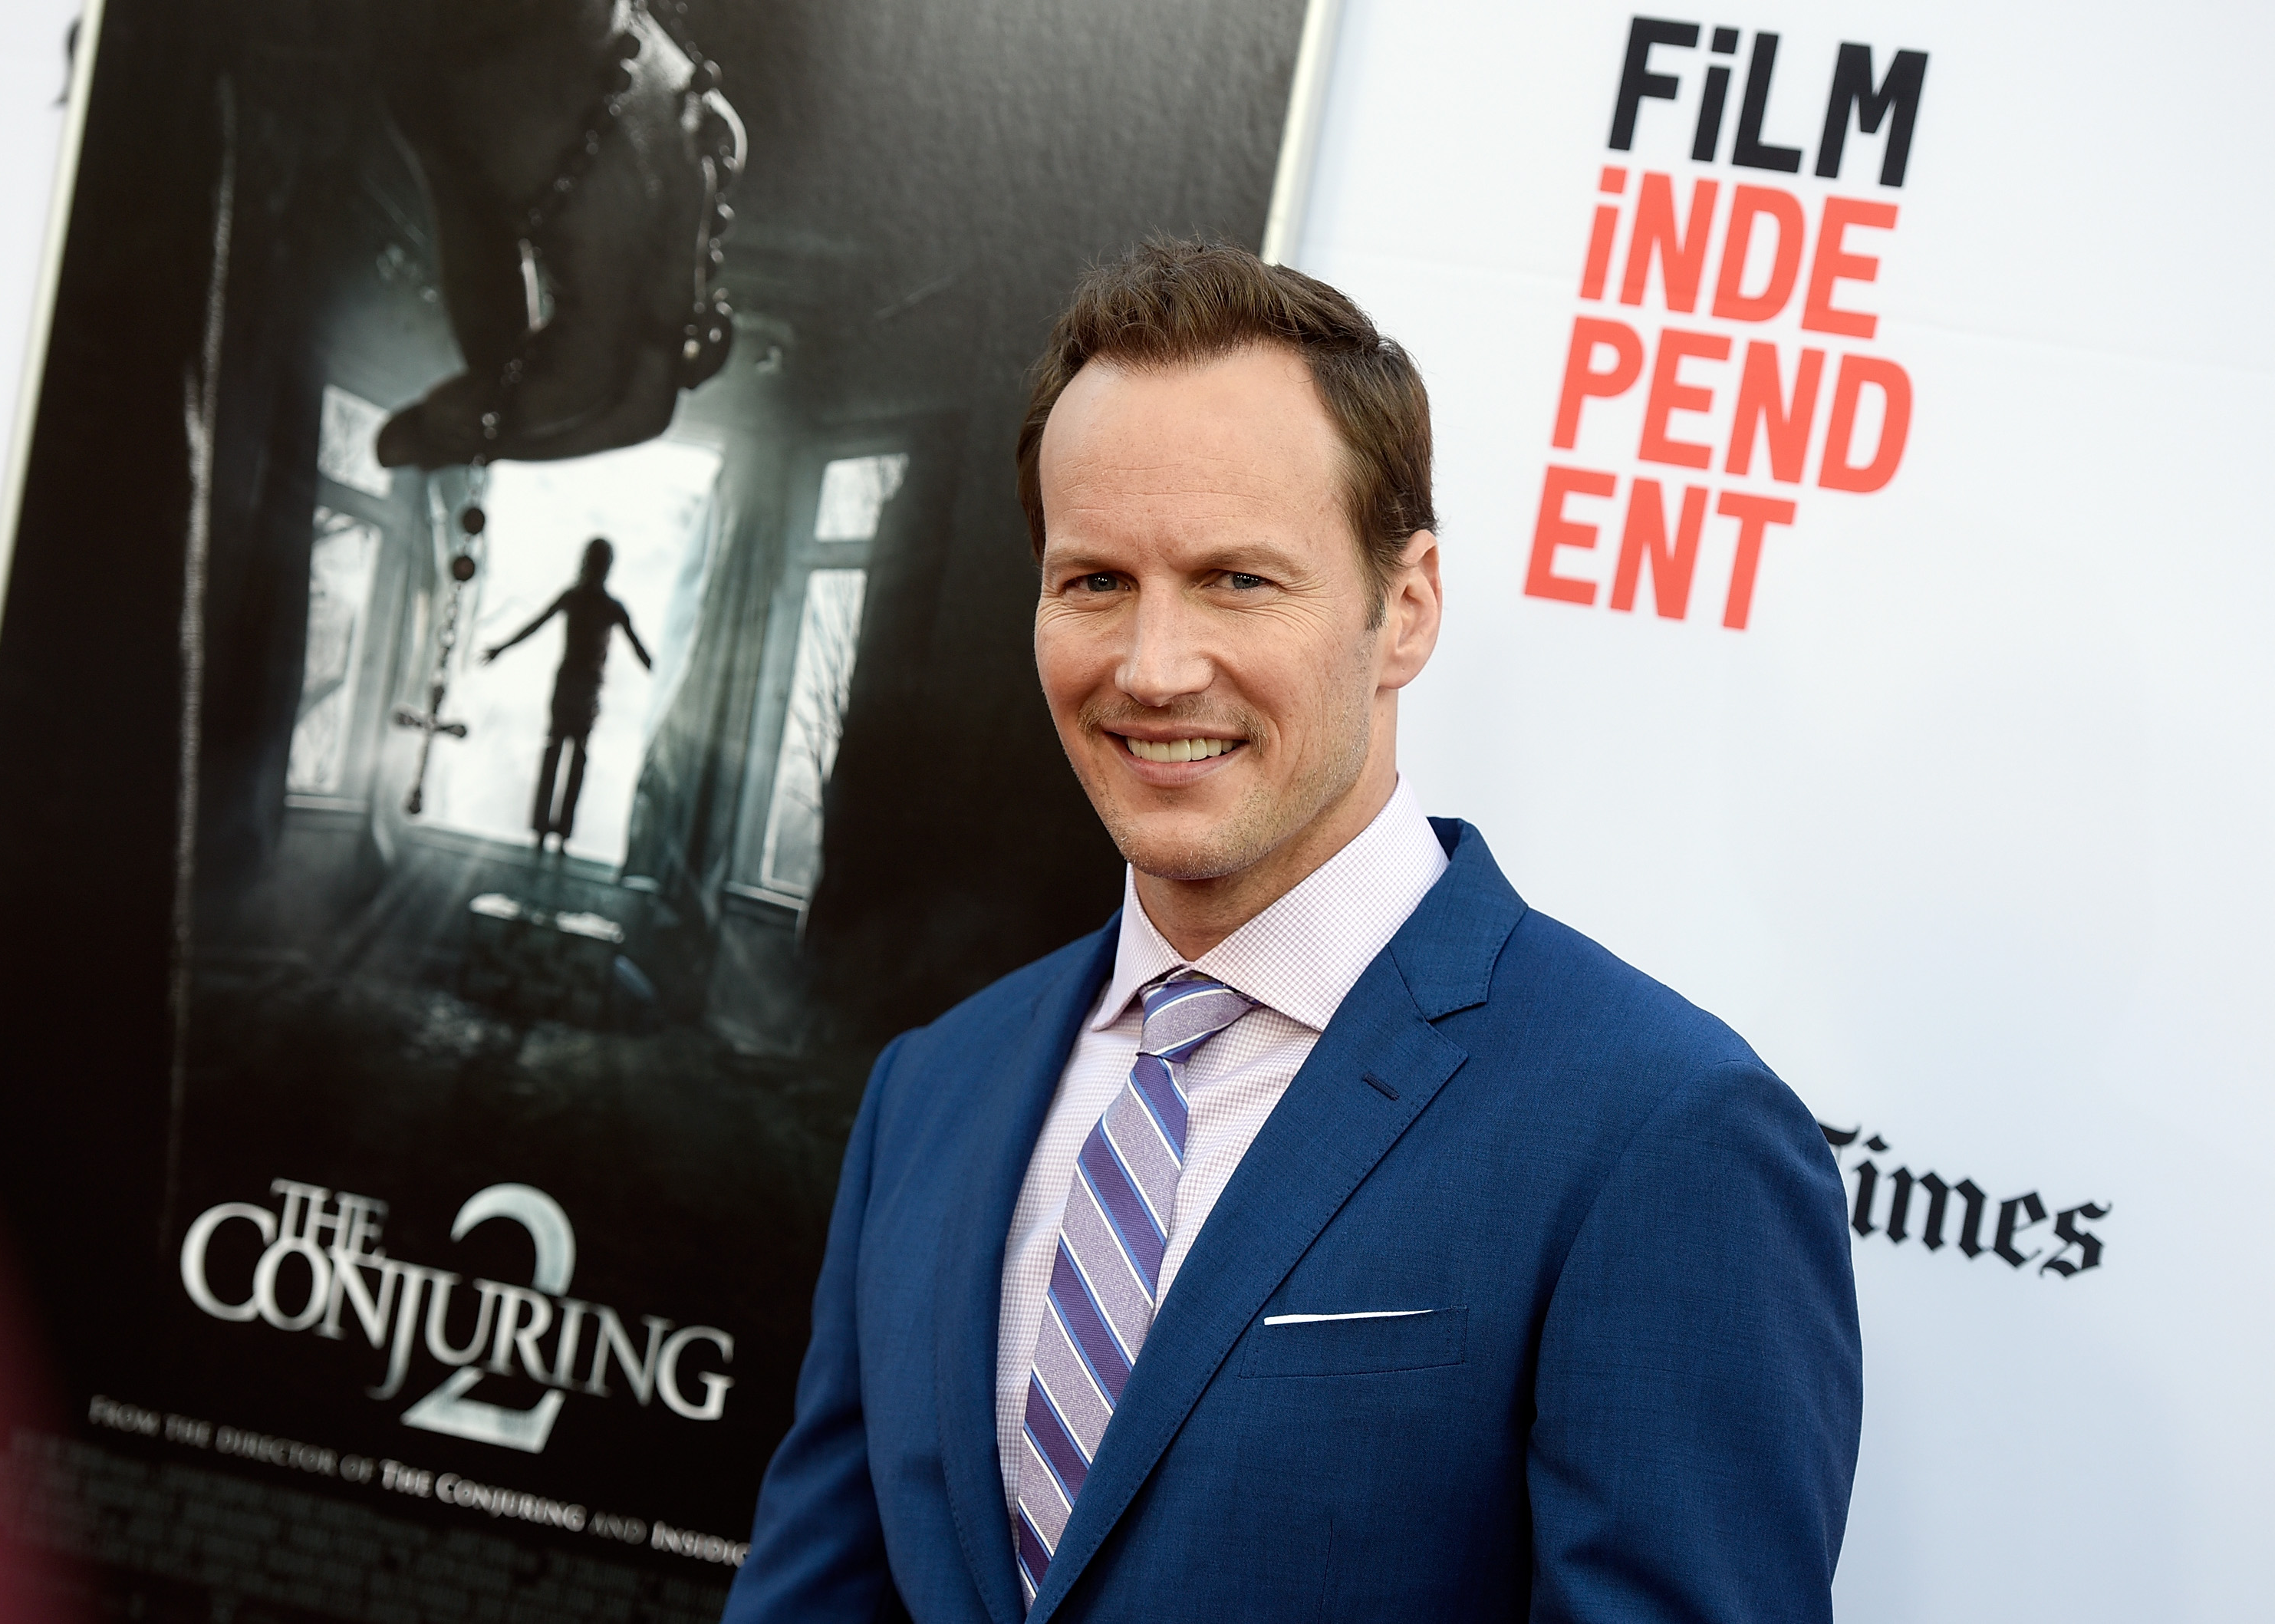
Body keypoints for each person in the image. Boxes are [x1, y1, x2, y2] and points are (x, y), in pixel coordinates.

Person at [725, 239, 1860, 1623]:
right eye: (1093, 581)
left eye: (1238, 581)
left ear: (1408, 609)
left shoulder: (1659, 1132)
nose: (1150, 669)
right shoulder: (932, 1093)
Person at [482, 535, 651, 851]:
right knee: (574, 757)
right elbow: (640, 650)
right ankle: (558, 834)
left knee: (557, 751)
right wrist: (661, 676)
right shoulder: (608, 606)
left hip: (573, 686)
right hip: (585, 688)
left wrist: (501, 648)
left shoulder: (578, 599)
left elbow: (535, 625)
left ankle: (545, 832)